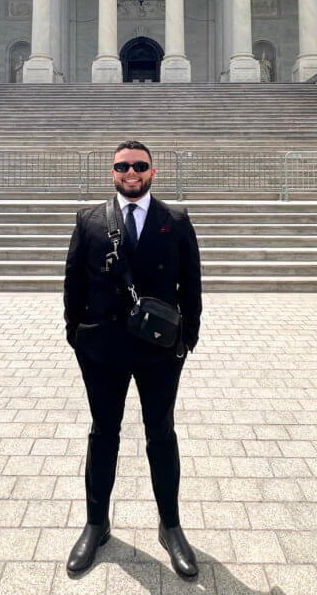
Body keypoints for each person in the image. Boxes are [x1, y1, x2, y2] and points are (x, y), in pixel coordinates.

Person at [63, 141, 202, 579]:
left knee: (161, 433)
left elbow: (191, 286)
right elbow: (72, 284)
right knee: (104, 432)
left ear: (152, 172)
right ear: (113, 172)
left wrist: (187, 340)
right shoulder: (90, 220)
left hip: (159, 350)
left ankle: (171, 527)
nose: (131, 172)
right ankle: (96, 524)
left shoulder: (175, 220)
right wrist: (76, 337)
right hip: (102, 346)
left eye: (139, 166)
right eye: (123, 166)